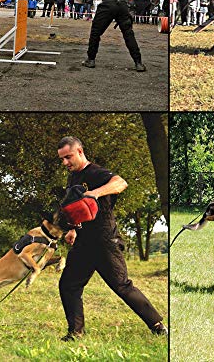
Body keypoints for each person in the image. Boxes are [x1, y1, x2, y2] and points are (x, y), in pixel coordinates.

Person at [56, 136, 167, 341]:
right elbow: (77, 209)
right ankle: (76, 332)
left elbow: (120, 183)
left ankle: (157, 325)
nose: (65, 162)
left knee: (122, 286)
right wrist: (72, 229)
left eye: (68, 157)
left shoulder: (96, 172)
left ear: (80, 151)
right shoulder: (73, 178)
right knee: (69, 285)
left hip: (104, 241)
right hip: (83, 242)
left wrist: (95, 193)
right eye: (62, 159)